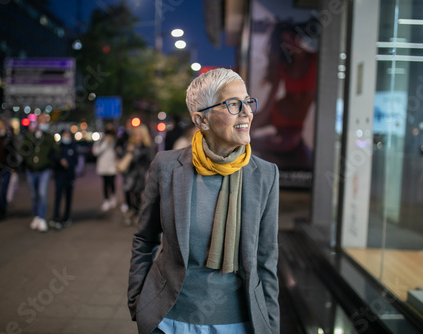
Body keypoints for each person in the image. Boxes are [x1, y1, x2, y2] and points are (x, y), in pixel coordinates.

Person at [128, 68, 280, 334]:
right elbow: (145, 239)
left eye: (247, 101)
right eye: (233, 104)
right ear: (202, 120)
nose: (247, 112)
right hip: (169, 320)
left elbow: (266, 259)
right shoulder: (166, 166)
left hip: (240, 323)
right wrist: (138, 302)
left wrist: (271, 324)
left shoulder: (265, 175)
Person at [251, 20, 317, 169]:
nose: (292, 45)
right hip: (278, 113)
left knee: (278, 147)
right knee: (242, 129)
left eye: (293, 39)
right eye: (286, 43)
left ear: (299, 37)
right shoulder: (283, 65)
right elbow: (270, 101)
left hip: (294, 125)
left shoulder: (315, 59)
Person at [19, 113, 59, 232]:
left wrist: (50, 159)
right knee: (34, 195)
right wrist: (28, 161)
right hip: (31, 169)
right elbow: (23, 150)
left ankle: (42, 218)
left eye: (45, 121)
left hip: (44, 169)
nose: (43, 123)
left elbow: (56, 151)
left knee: (42, 193)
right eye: (41, 121)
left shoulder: (49, 137)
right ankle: (36, 216)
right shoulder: (30, 136)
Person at [120, 124, 152, 225]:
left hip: (140, 174)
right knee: (127, 191)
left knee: (138, 193)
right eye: (135, 134)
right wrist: (127, 151)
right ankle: (130, 211)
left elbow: (150, 160)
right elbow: (121, 156)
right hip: (129, 174)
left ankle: (136, 213)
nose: (137, 137)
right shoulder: (129, 145)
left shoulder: (146, 147)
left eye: (139, 134)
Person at [50, 130, 78, 229]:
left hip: (69, 175)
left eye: (68, 135)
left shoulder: (73, 147)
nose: (66, 137)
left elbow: (76, 161)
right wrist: (60, 160)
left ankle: (67, 217)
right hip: (59, 175)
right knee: (58, 196)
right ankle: (56, 217)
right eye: (65, 135)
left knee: (68, 197)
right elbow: (52, 156)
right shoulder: (58, 147)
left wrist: (69, 164)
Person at [93, 128, 118, 212]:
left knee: (112, 182)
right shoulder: (101, 142)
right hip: (103, 166)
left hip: (112, 166)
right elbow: (95, 152)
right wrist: (104, 142)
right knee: (105, 183)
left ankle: (113, 197)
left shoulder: (115, 143)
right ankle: (106, 200)